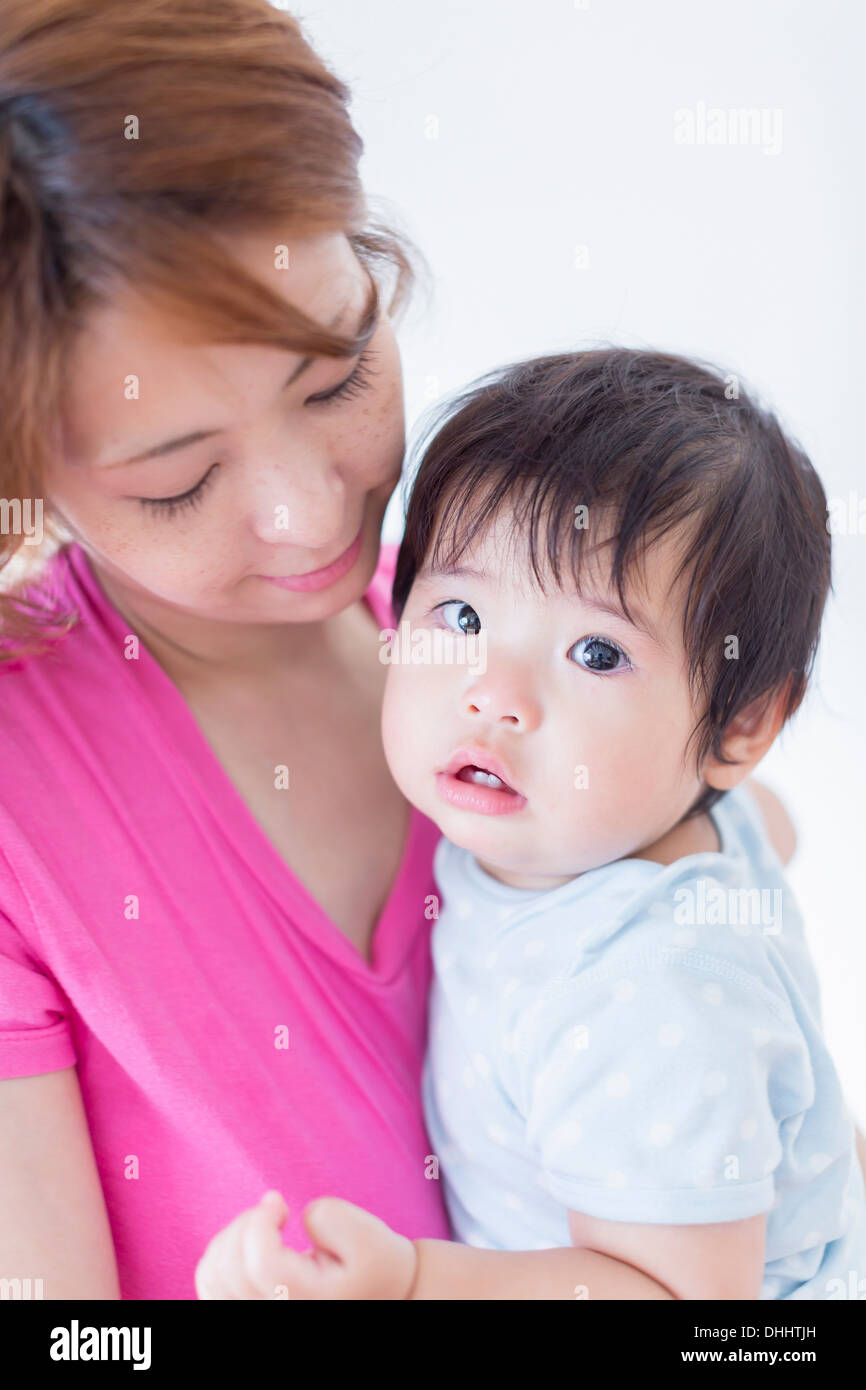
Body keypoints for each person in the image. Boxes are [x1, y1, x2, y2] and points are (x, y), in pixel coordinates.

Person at [0, 1, 856, 1302]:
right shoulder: (29, 793)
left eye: (337, 374)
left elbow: (744, 853)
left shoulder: (484, 614)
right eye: (175, 481)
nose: (316, 513)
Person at [194, 350, 866, 1300]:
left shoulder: (642, 989)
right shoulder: (666, 822)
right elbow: (775, 828)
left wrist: (413, 1283)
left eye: (596, 652)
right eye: (461, 614)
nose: (494, 697)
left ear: (743, 724)